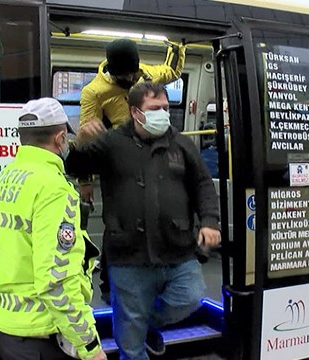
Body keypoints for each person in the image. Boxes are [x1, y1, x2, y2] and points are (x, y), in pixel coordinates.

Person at [66, 82, 221, 360]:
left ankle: (144, 324)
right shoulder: (112, 142)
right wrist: (80, 143)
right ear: (135, 112)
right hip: (128, 254)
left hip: (177, 248)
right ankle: (135, 329)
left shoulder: (181, 143)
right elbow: (74, 168)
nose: (163, 113)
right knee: (132, 347)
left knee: (191, 296)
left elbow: (202, 184)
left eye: (165, 107)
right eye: (154, 109)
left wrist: (210, 220)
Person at [0, 97, 106, 360]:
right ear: (59, 138)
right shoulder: (54, 188)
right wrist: (90, 346)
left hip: (6, 333)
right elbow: (56, 282)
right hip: (45, 339)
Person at [79, 38, 187, 303]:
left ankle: (154, 280)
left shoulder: (147, 74)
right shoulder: (94, 92)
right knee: (116, 224)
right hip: (118, 161)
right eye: (123, 73)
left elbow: (171, 71)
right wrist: (85, 181)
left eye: (131, 71)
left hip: (151, 157)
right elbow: (86, 136)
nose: (129, 77)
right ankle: (108, 286)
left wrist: (178, 45)